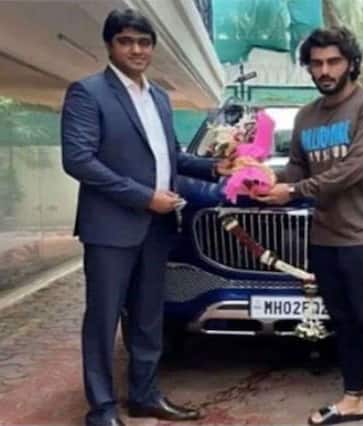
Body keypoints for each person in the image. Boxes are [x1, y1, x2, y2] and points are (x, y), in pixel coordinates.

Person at [61, 9, 230, 426]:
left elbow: (170, 156)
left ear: (152, 48)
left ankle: (145, 395)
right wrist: (144, 197)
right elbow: (78, 160)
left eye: (144, 42)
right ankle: (102, 409)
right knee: (103, 320)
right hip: (110, 229)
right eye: (126, 41)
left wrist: (214, 168)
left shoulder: (159, 98)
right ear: (110, 45)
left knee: (148, 317)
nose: (136, 50)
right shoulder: (88, 92)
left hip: (157, 228)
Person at [255, 27, 363, 426]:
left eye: (333, 61)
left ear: (351, 63)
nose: (324, 70)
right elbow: (296, 169)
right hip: (324, 237)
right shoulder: (306, 117)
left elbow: (354, 168)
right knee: (343, 323)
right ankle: (353, 399)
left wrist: (294, 191)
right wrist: (260, 178)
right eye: (316, 63)